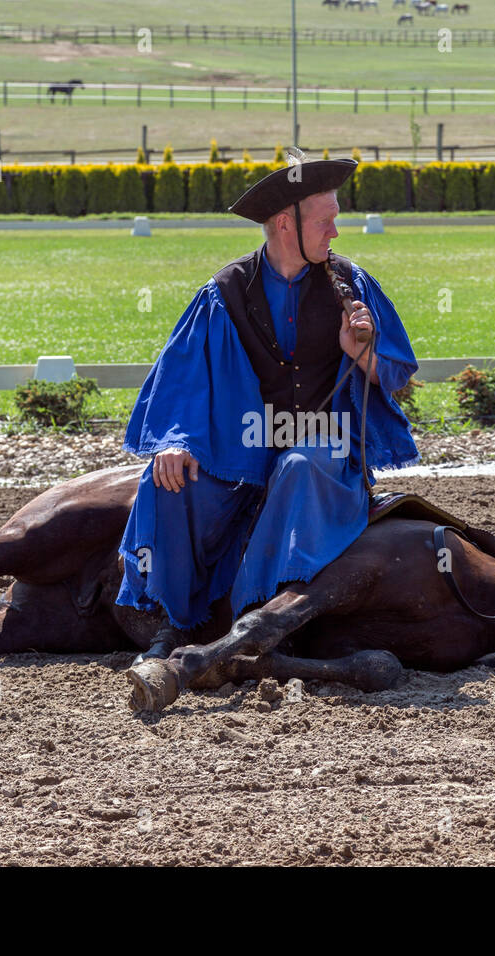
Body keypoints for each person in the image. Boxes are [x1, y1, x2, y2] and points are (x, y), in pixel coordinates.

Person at [115, 155, 419, 657]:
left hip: (325, 445)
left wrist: (361, 352)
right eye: (326, 221)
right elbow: (185, 375)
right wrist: (174, 441)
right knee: (168, 479)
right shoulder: (225, 292)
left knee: (299, 464)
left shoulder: (351, 285)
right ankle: (175, 622)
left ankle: (255, 619)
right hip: (246, 447)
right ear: (286, 224)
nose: (336, 232)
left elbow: (396, 376)